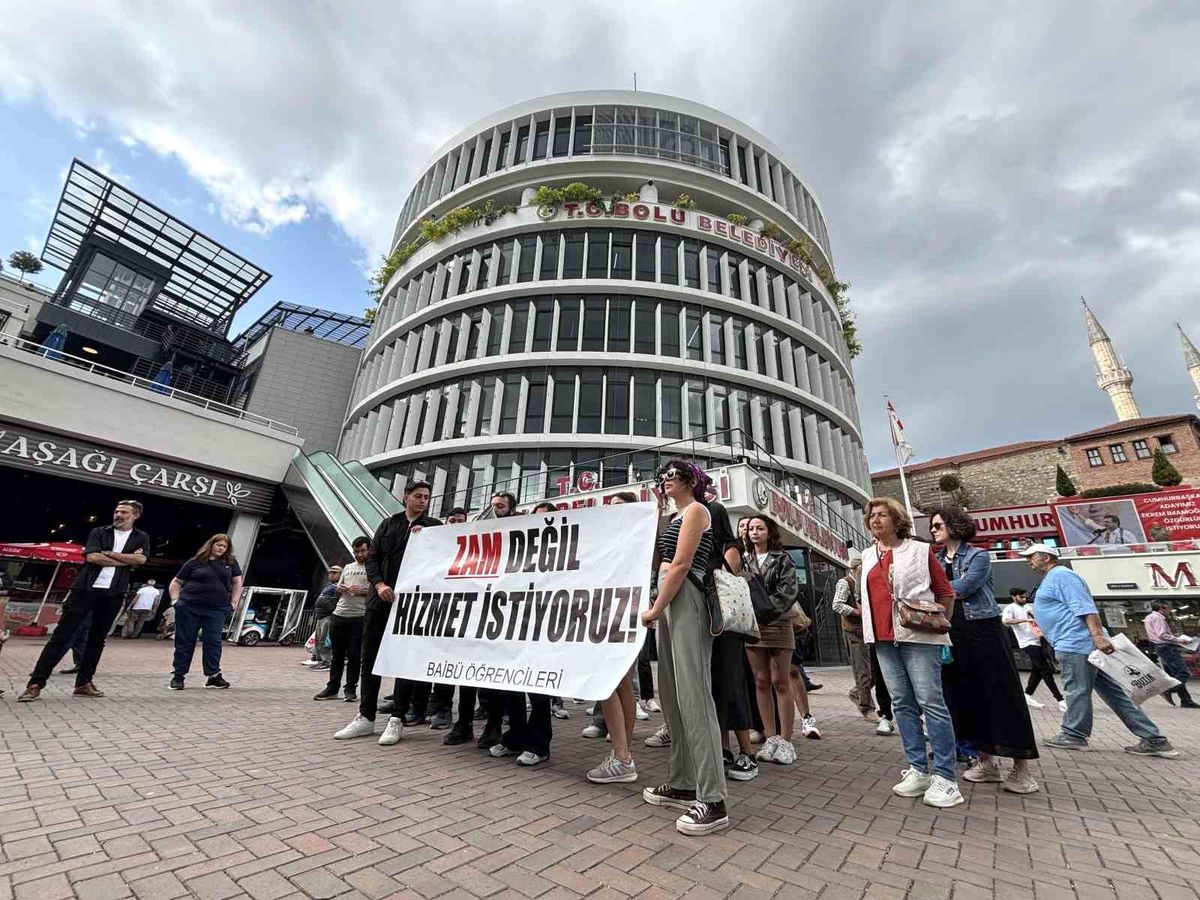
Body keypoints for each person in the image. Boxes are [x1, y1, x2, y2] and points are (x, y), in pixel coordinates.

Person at [1023, 543, 1179, 757]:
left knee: (1076, 689)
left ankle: (1073, 734)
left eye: (1031, 556)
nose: (1028, 561)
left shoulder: (1061, 575)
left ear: (1047, 557)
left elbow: (1085, 607)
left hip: (1076, 643)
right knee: (1115, 695)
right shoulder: (1055, 577)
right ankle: (1154, 739)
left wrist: (1097, 636)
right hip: (1079, 643)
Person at [641, 460, 729, 836]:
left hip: (687, 599)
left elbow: (680, 565)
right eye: (661, 477)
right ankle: (683, 782)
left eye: (671, 476)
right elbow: (661, 562)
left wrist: (655, 608)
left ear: (691, 480)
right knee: (673, 696)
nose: (665, 480)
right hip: (669, 603)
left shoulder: (697, 510)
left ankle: (713, 798)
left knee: (694, 697)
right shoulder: (674, 515)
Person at [860, 497, 962, 808]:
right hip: (882, 637)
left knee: (931, 702)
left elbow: (945, 592)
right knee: (902, 703)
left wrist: (938, 625)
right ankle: (918, 768)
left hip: (918, 636)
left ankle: (946, 777)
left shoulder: (919, 550)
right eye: (872, 516)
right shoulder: (867, 555)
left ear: (897, 520)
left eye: (882, 515)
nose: (875, 520)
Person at [932, 506, 1040, 794]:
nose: (933, 530)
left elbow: (965, 586)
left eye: (938, 525)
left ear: (954, 525)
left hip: (983, 632)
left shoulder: (977, 556)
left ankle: (1021, 768)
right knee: (965, 696)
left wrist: (935, 589)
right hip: (953, 633)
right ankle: (985, 761)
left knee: (1002, 695)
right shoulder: (937, 559)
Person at [336, 480, 440, 745]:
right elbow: (372, 559)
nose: (423, 501)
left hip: (411, 605)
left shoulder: (433, 527)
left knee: (404, 660)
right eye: (418, 496)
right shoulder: (388, 523)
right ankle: (365, 716)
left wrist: (424, 539)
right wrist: (379, 584)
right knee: (370, 658)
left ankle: (397, 718)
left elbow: (440, 562)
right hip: (379, 602)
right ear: (406, 497)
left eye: (426, 497)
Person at [20, 500, 150, 702]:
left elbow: (141, 560)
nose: (118, 515)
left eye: (124, 512)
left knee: (97, 639)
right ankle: (36, 683)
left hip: (114, 593)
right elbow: (92, 557)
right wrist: (126, 560)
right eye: (117, 511)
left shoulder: (141, 537)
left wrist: (110, 554)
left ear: (135, 515)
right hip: (85, 590)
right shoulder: (99, 532)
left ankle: (84, 682)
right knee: (61, 636)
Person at [445, 492, 518, 747]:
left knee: (493, 673)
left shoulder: (516, 532)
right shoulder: (478, 532)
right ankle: (463, 723)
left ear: (511, 510)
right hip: (474, 610)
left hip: (499, 612)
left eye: (501, 506)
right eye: (493, 505)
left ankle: (493, 725)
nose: (495, 509)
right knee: (466, 671)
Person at [587, 491, 644, 784]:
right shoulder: (605, 538)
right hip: (603, 612)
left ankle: (622, 755)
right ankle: (622, 754)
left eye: (619, 506)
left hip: (626, 611)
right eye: (610, 506)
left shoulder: (639, 537)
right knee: (610, 682)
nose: (613, 510)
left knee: (619, 682)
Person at [743, 515, 801, 767]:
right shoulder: (744, 559)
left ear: (770, 532)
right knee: (761, 681)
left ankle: (786, 741)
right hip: (752, 626)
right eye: (751, 529)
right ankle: (770, 737)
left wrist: (764, 611)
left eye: (760, 528)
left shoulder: (783, 558)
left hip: (778, 622)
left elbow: (788, 591)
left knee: (780, 680)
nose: (754, 532)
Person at [168, 534, 242, 690]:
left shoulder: (230, 563)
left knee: (213, 641)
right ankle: (178, 676)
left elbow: (237, 582)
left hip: (216, 609)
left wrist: (234, 602)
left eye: (225, 546)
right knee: (185, 640)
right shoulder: (195, 562)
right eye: (219, 545)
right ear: (211, 545)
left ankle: (213, 676)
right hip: (190, 606)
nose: (221, 548)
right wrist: (175, 600)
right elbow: (177, 582)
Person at [832, 549, 894, 734]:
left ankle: (857, 693)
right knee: (863, 672)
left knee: (875, 672)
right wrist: (858, 612)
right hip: (854, 631)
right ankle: (867, 707)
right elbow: (837, 604)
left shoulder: (866, 582)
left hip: (869, 631)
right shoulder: (845, 582)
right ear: (855, 568)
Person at [314, 537, 370, 702]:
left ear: (369, 550)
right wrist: (341, 588)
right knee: (336, 655)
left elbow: (377, 590)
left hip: (359, 616)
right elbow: (338, 588)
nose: (359, 554)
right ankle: (332, 687)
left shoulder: (373, 568)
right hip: (339, 614)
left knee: (354, 655)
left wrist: (361, 591)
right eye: (356, 551)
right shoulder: (347, 567)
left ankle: (350, 689)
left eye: (362, 551)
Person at [1002, 588, 1066, 711]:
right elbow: (1006, 621)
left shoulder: (1028, 608)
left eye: (1025, 597)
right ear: (1013, 597)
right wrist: (1025, 620)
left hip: (1039, 640)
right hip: (1027, 642)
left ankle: (1027, 695)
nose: (1024, 599)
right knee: (1045, 670)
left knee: (1038, 670)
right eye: (1021, 597)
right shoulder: (1010, 608)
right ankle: (1060, 700)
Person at [1144, 600, 1197, 708]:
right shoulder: (1158, 618)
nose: (1169, 610)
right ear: (1161, 608)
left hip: (1160, 647)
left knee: (1176, 674)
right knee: (1183, 672)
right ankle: (1168, 689)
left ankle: (1186, 700)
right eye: (1168, 608)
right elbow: (1162, 634)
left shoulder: (1149, 617)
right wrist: (1180, 640)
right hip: (1166, 647)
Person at [304, 567, 340, 670]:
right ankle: (320, 659)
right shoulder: (329, 585)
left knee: (325, 640)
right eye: (330, 572)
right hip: (321, 616)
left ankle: (326, 661)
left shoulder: (338, 587)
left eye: (334, 573)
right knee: (319, 639)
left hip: (328, 616)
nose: (331, 574)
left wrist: (330, 609)